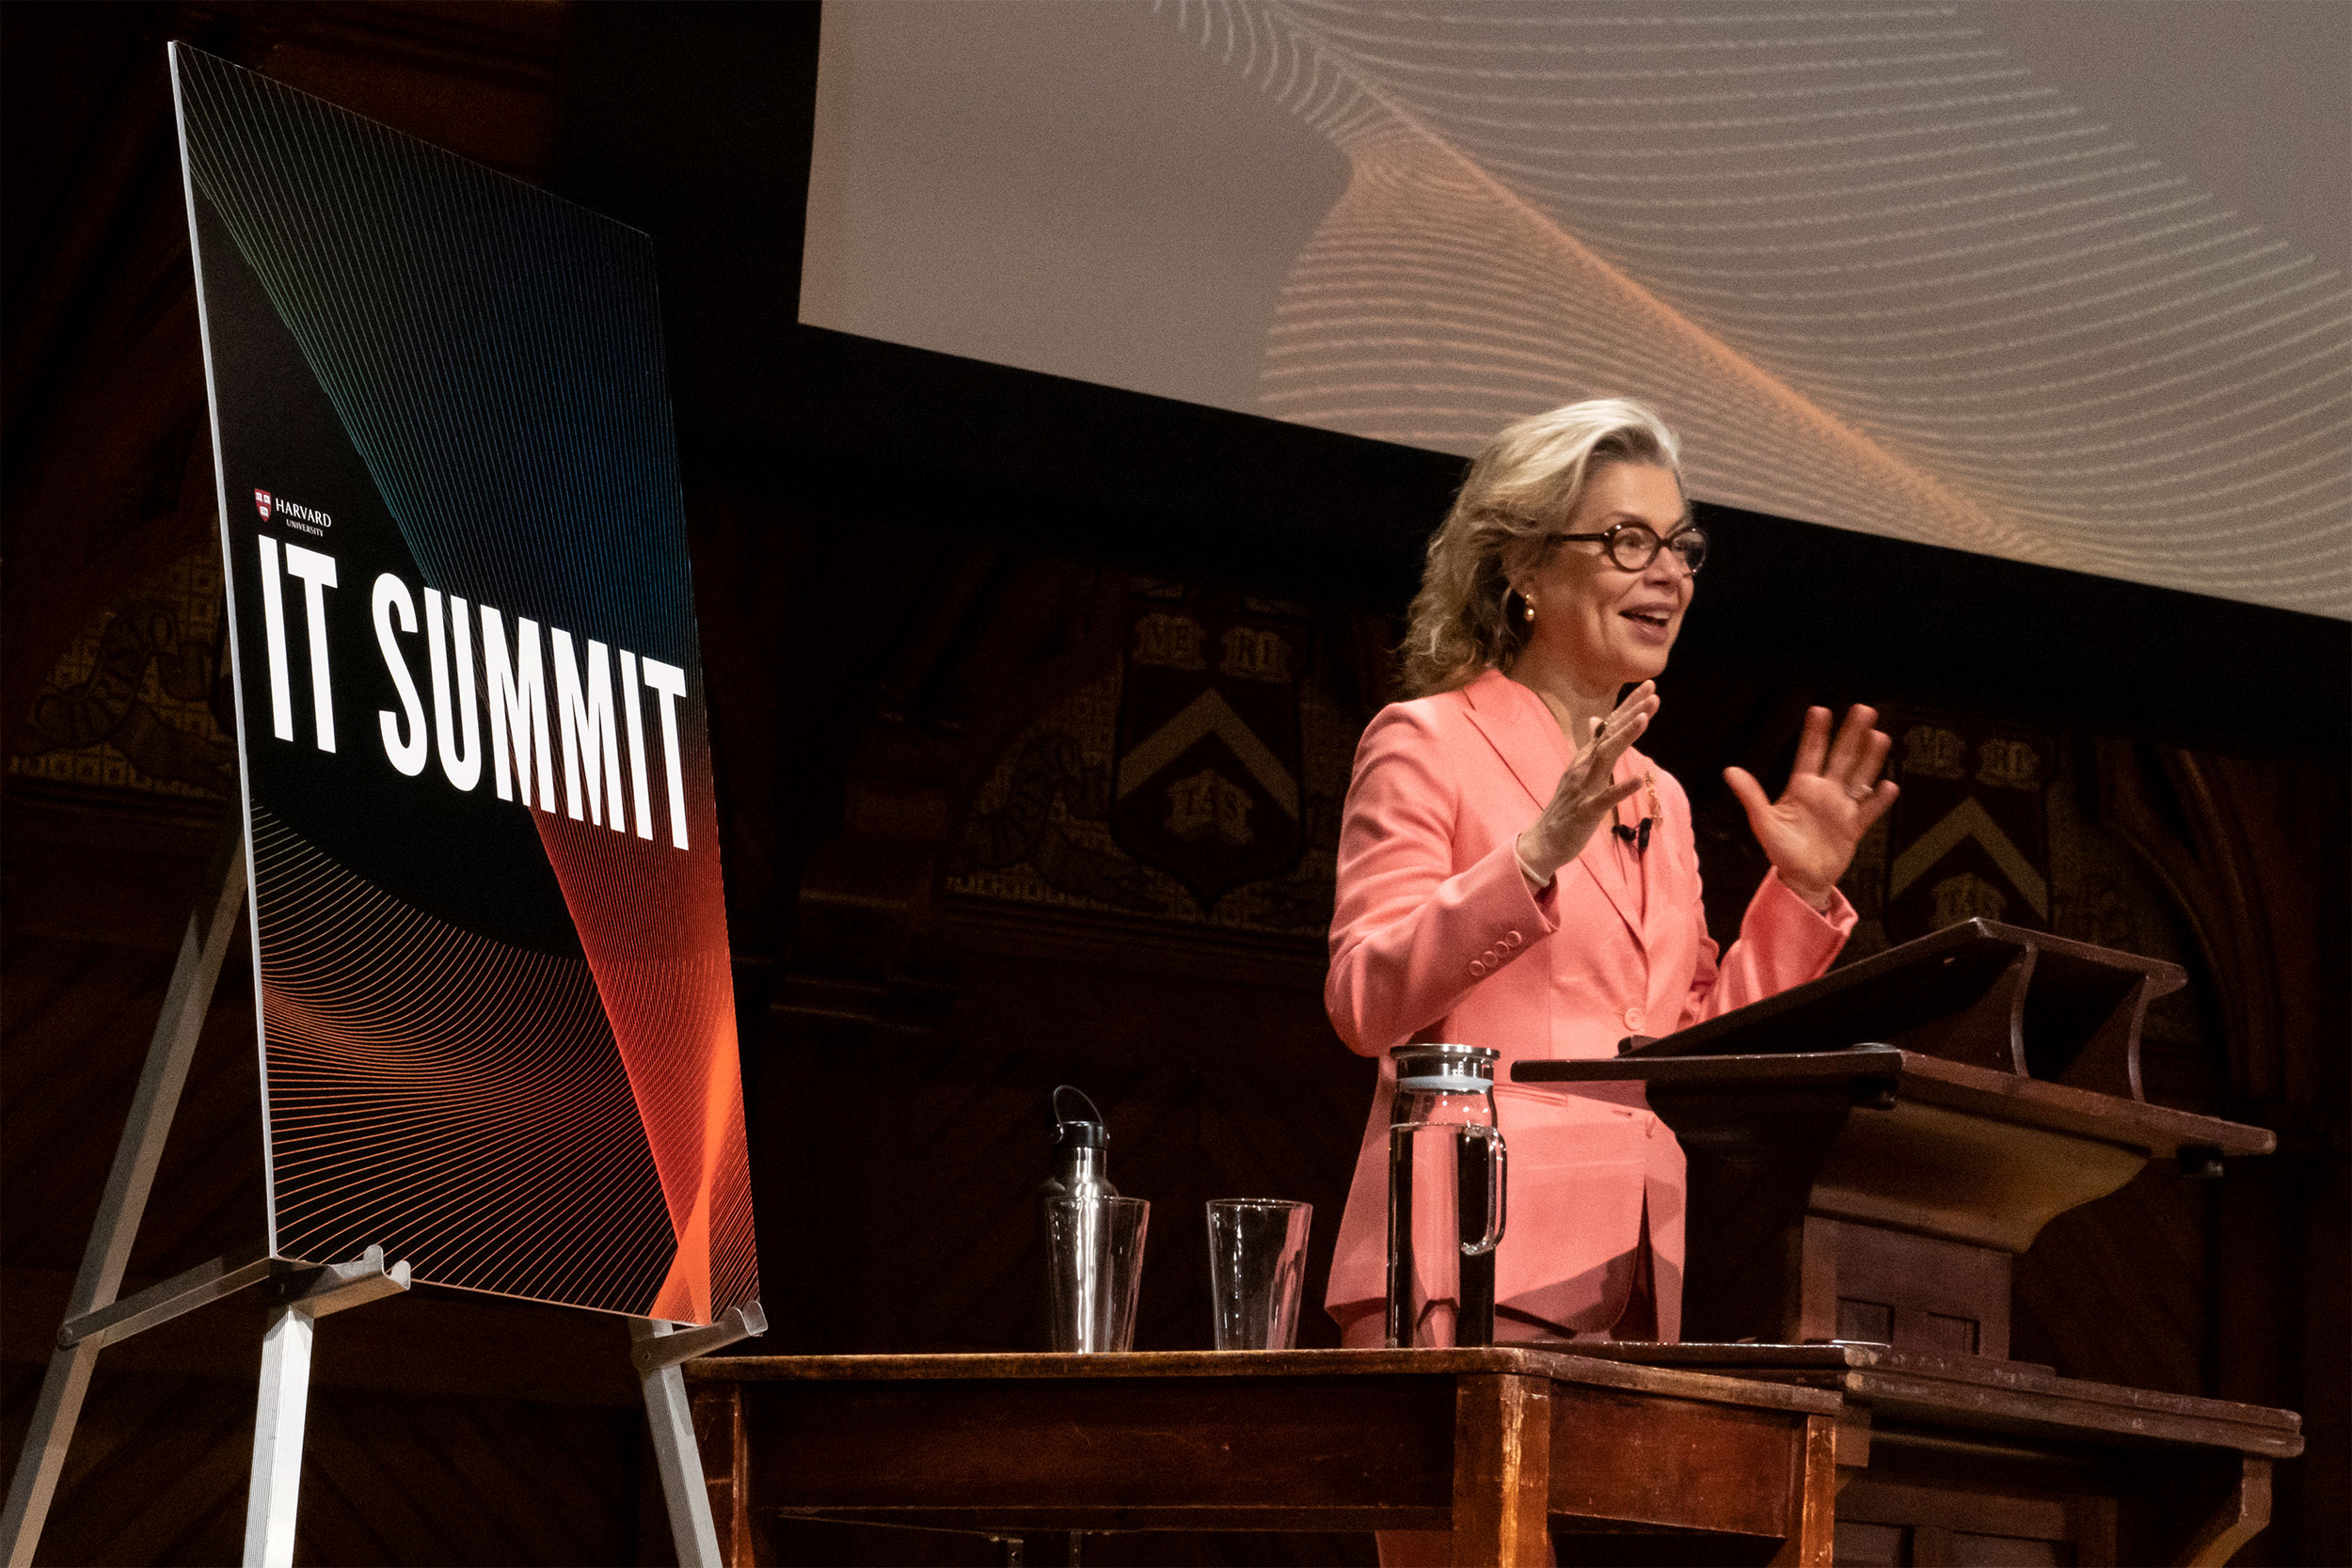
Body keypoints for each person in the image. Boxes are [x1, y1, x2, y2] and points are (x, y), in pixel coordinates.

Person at [1324, 398, 1899, 1365]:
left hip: (1638, 1286)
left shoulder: (1658, 796)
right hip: (1461, 1273)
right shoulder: (1426, 740)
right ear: (1523, 568)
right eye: (1627, 541)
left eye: (1681, 546)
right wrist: (1533, 855)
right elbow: (1362, 999)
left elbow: (1688, 1052)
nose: (1668, 573)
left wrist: (1795, 894)